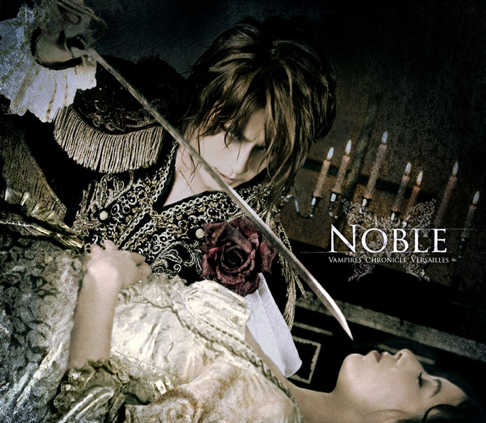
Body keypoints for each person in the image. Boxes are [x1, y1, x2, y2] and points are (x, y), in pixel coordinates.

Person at [0, 7, 338, 378]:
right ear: (207, 98)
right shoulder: (129, 110)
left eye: (265, 149)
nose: (240, 165)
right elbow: (25, 87)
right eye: (232, 134)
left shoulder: (253, 254)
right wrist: (50, 46)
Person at [0, 236, 484, 423]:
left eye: (423, 382)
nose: (408, 357)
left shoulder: (268, 420)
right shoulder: (276, 386)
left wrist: (104, 282)